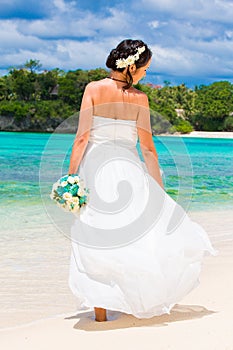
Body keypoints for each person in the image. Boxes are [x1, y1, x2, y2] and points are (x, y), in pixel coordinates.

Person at [68, 39, 217, 322]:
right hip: (128, 171)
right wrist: (158, 190)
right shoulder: (140, 99)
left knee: (97, 235)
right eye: (145, 69)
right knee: (130, 237)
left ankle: (101, 313)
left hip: (96, 170)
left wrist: (71, 177)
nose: (146, 75)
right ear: (132, 67)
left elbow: (82, 138)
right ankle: (127, 300)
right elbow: (147, 148)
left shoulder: (93, 89)